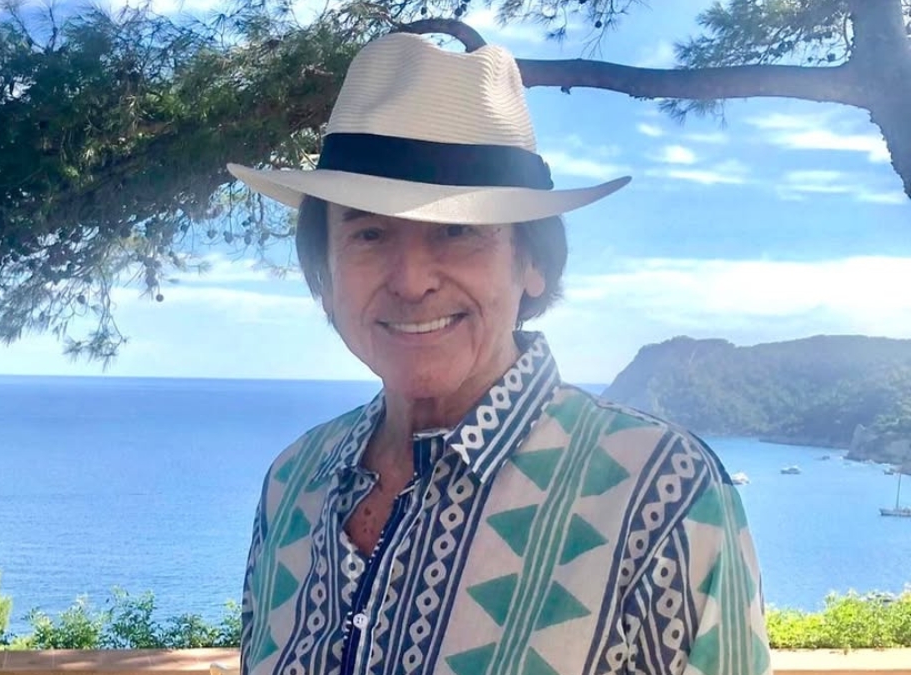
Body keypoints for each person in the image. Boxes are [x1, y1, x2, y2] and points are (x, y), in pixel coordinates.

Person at [225, 31, 770, 675]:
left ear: (532, 262)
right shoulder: (294, 484)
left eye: (458, 231)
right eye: (369, 233)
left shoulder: (660, 495)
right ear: (326, 270)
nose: (411, 281)